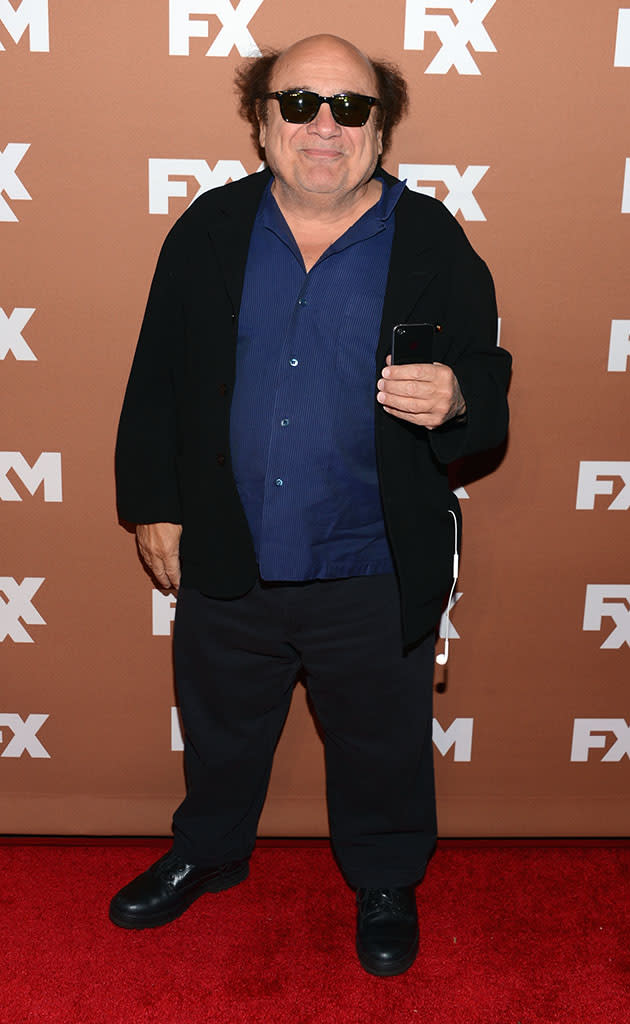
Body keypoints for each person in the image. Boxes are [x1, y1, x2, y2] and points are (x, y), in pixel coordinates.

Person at [111, 33, 511, 977]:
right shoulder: (208, 229)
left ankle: (384, 879)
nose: (323, 126)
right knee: (218, 730)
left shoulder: (432, 238)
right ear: (261, 120)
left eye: (350, 107)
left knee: (383, 748)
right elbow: (156, 381)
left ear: (380, 130)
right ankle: (209, 851)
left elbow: (488, 378)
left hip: (372, 562)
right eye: (298, 104)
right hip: (227, 550)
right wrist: (152, 503)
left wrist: (456, 397)